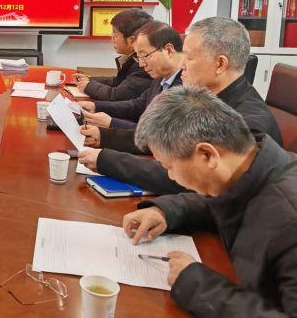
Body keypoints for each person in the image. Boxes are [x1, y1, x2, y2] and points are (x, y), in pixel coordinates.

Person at [121, 87, 297, 318]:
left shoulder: (289, 220)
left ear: (208, 155)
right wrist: (166, 212)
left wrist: (199, 287)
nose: (171, 176)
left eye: (169, 167)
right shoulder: (250, 167)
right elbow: (227, 200)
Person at [79, 17, 283, 195]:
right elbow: (167, 139)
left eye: (189, 57)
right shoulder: (208, 99)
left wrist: (108, 160)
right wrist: (105, 137)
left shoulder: (248, 125)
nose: (182, 64)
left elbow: (189, 179)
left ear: (220, 64)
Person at [78, 21, 184, 154]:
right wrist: (96, 106)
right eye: (139, 58)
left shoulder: (187, 87)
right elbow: (138, 105)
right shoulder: (161, 76)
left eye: (144, 56)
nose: (141, 64)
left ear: (168, 50)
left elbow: (159, 136)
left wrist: (111, 123)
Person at [72, 8, 153, 101]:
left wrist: (88, 86)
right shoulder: (132, 58)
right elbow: (119, 82)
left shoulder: (143, 64)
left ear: (131, 40)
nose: (112, 40)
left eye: (115, 35)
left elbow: (117, 95)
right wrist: (89, 80)